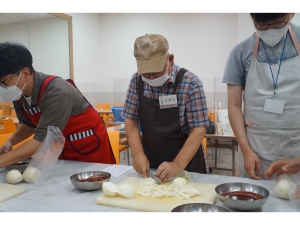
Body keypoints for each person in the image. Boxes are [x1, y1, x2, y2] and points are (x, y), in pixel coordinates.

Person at [0, 42, 115, 167]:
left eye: (4, 81)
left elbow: (40, 139)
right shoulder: (18, 93)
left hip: (88, 146)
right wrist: (11, 141)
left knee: (93, 182)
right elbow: (28, 124)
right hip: (60, 147)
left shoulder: (56, 91)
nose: (2, 87)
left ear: (25, 73)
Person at [122, 34, 209, 183]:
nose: (151, 79)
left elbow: (198, 129)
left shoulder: (191, 83)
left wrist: (177, 165)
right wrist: (137, 154)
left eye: (156, 73)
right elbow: (130, 119)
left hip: (187, 165)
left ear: (170, 59)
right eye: (146, 74)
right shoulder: (136, 81)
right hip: (152, 166)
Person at [223, 13, 300, 180]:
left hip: (297, 151)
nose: (271, 30)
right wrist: (246, 150)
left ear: (292, 13)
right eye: (262, 26)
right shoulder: (240, 52)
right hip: (256, 149)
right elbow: (234, 104)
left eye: (279, 23)